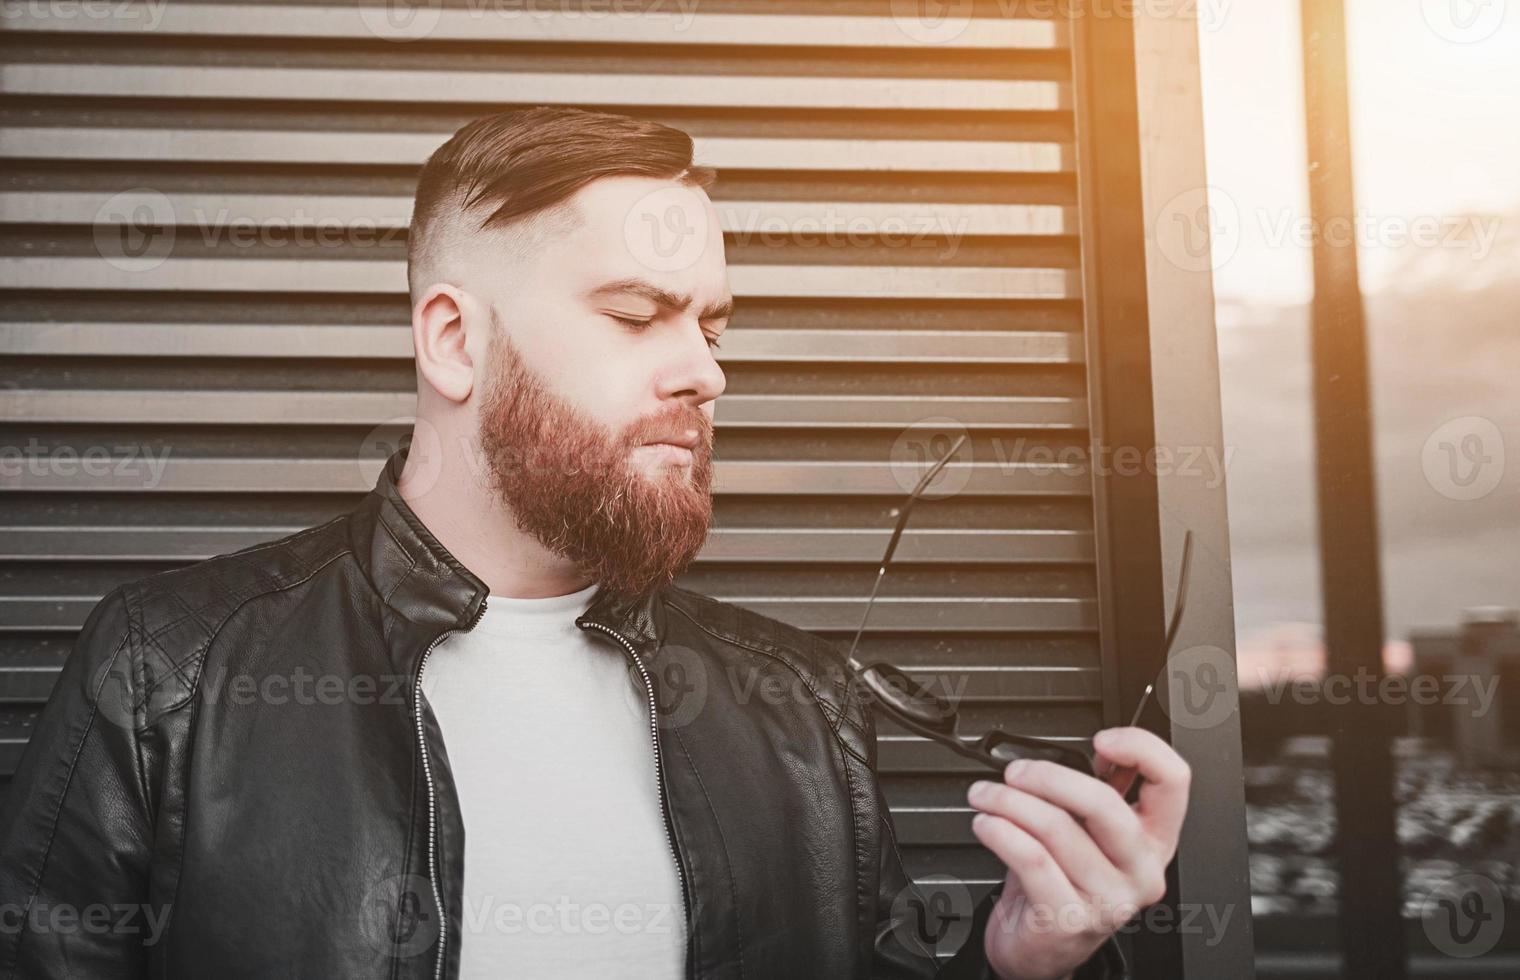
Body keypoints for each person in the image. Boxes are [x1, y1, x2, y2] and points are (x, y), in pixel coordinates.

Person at [0, 105, 1189, 979]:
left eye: (714, 324)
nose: (705, 370)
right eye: (637, 315)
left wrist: (1022, 964)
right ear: (455, 342)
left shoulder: (802, 709)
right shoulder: (165, 670)